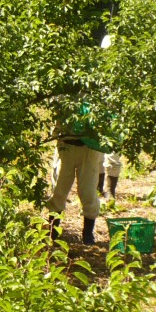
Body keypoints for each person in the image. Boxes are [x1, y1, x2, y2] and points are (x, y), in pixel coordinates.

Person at [45, 102, 106, 245]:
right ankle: (53, 233)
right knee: (58, 190)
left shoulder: (98, 92)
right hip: (66, 146)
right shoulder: (64, 93)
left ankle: (88, 235)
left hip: (89, 149)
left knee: (88, 192)